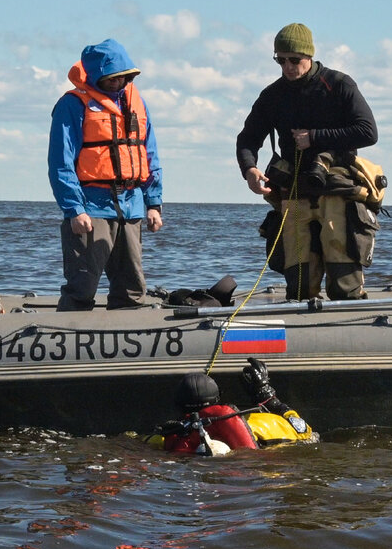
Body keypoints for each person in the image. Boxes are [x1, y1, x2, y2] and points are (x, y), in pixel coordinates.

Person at [235, 23, 379, 301]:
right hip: (294, 194)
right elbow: (247, 139)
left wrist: (315, 137)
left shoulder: (338, 84)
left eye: (294, 60)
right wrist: (250, 169)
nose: (288, 67)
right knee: (299, 285)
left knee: (343, 281)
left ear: (309, 56)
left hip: (336, 192)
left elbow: (368, 132)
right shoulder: (272, 95)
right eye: (281, 60)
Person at [49, 39, 164, 311]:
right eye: (111, 79)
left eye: (122, 78)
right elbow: (60, 162)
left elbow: (150, 154)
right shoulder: (72, 105)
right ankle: (68, 338)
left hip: (132, 205)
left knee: (132, 286)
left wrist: (154, 203)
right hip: (91, 206)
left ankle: (128, 341)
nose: (117, 83)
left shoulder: (137, 104)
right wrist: (74, 209)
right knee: (83, 284)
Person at [145, 359, 318, 456]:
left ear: (177, 404)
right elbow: (304, 431)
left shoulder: (164, 439)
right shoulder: (264, 423)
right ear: (219, 399)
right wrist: (268, 398)